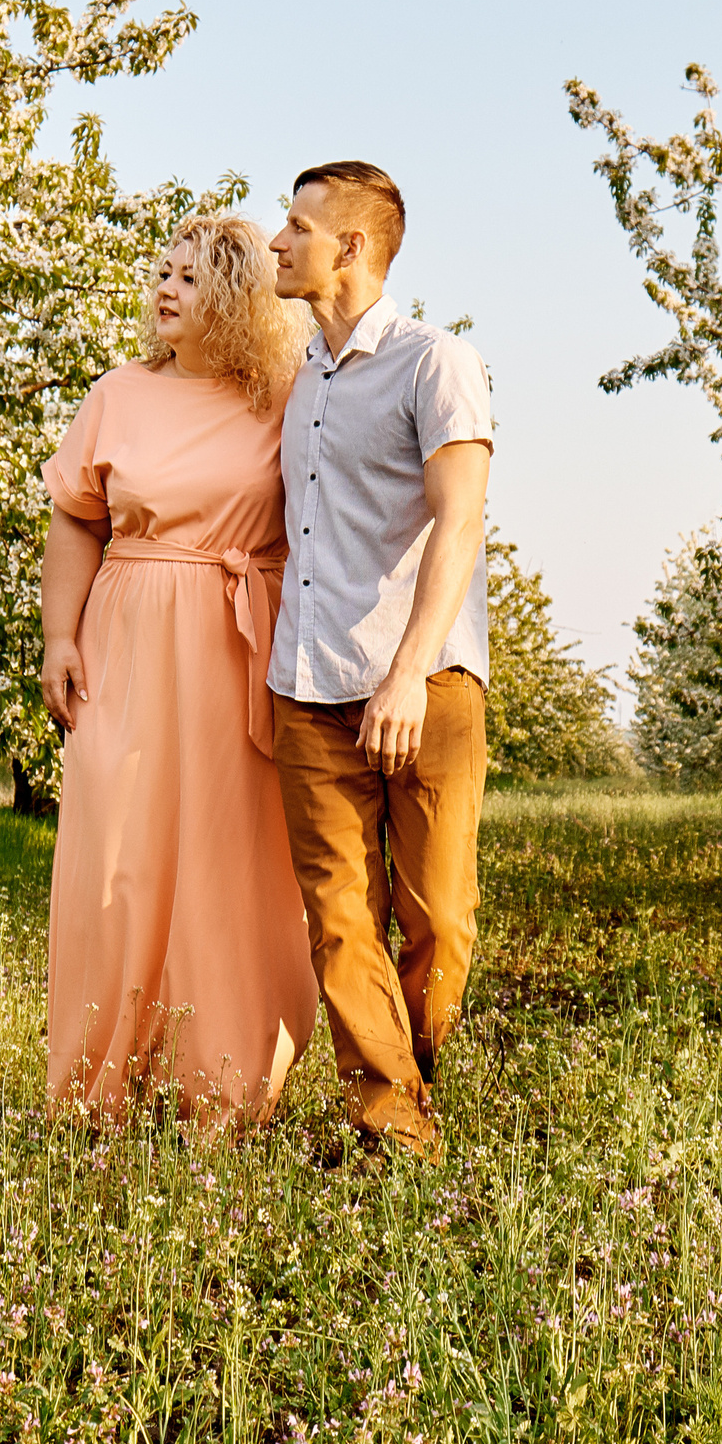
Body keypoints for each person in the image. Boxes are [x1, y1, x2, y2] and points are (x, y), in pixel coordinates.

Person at [37, 214, 320, 1126]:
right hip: (126, 638)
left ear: (234, 298)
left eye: (190, 278)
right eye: (162, 271)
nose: (164, 288)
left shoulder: (283, 395)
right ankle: (101, 1079)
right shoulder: (117, 392)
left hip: (236, 639)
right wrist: (59, 637)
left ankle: (227, 1082)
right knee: (118, 851)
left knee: (227, 857)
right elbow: (78, 518)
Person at [265, 161, 492, 1164]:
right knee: (338, 919)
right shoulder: (300, 377)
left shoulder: (434, 362)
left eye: (296, 226)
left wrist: (406, 671)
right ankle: (389, 1117)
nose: (278, 242)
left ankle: (410, 1077)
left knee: (438, 919)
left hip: (425, 685)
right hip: (307, 689)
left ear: (348, 247)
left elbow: (461, 521)